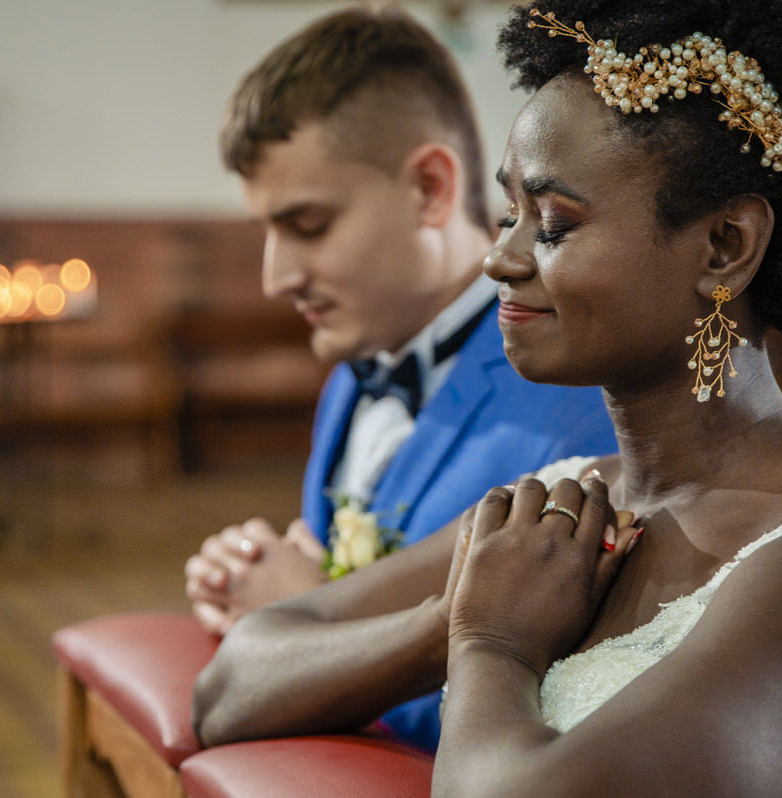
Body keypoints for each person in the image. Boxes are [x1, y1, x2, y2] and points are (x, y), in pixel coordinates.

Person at [197, 0, 782, 793]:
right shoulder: (576, 494)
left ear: (724, 247)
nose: (500, 258)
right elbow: (228, 687)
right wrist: (442, 625)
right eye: (510, 213)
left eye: (554, 224)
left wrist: (493, 646)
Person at [184, 6, 618, 752]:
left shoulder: (577, 402)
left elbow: (566, 710)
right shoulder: (352, 377)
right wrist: (253, 585)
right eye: (266, 230)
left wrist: (309, 625)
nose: (275, 276)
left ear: (429, 188)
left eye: (308, 225)